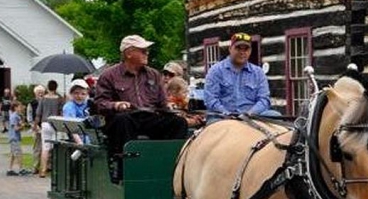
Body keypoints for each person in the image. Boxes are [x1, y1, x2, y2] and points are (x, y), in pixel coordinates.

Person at [94, 34, 188, 162]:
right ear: (129, 54)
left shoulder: (153, 74)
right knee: (123, 120)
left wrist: (170, 108)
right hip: (125, 118)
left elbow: (162, 103)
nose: (147, 53)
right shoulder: (109, 76)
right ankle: (127, 167)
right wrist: (116, 105)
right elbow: (100, 104)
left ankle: (169, 163)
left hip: (149, 117)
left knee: (178, 122)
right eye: (143, 51)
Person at [204, 32, 278, 123]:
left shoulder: (258, 73)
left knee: (275, 115)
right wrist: (226, 113)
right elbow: (211, 99)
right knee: (213, 127)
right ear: (230, 49)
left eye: (246, 49)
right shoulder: (216, 71)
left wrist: (250, 113)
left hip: (252, 116)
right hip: (222, 116)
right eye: (238, 48)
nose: (242, 52)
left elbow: (264, 100)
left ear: (250, 51)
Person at [35, 80, 63, 178]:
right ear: (56, 87)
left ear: (48, 87)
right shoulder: (59, 99)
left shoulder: (43, 99)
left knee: (45, 148)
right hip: (55, 123)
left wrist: (35, 125)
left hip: (45, 123)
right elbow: (61, 113)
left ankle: (43, 170)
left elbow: (38, 113)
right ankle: (56, 168)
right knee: (55, 147)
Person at [26, 85, 45, 174]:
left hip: (45, 126)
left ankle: (46, 166)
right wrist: (34, 126)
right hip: (36, 128)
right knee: (37, 148)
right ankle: (35, 166)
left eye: (42, 92)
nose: (40, 94)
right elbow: (29, 116)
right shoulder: (32, 103)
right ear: (35, 94)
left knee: (46, 148)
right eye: (39, 92)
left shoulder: (46, 102)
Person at [6, 102, 25, 176]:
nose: (21, 108)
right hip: (14, 138)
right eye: (19, 107)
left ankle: (10, 169)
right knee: (19, 153)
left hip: (16, 137)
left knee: (13, 154)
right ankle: (21, 169)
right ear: (15, 108)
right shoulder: (14, 116)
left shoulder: (18, 116)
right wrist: (22, 126)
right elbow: (15, 128)